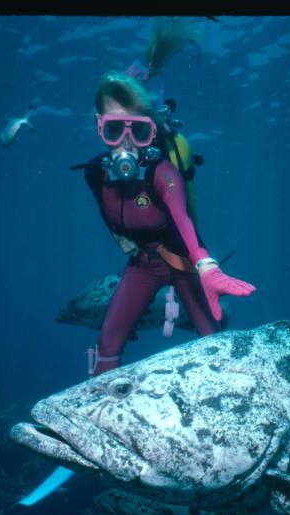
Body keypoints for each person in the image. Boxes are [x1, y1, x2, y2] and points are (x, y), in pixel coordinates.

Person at [82, 19, 256, 376]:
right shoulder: (95, 172)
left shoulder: (163, 171)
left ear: (152, 129)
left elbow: (185, 223)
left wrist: (206, 267)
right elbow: (109, 217)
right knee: (107, 345)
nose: (127, 145)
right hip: (141, 266)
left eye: (140, 132)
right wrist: (127, 247)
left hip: (181, 261)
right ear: (100, 126)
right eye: (114, 130)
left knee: (213, 342)